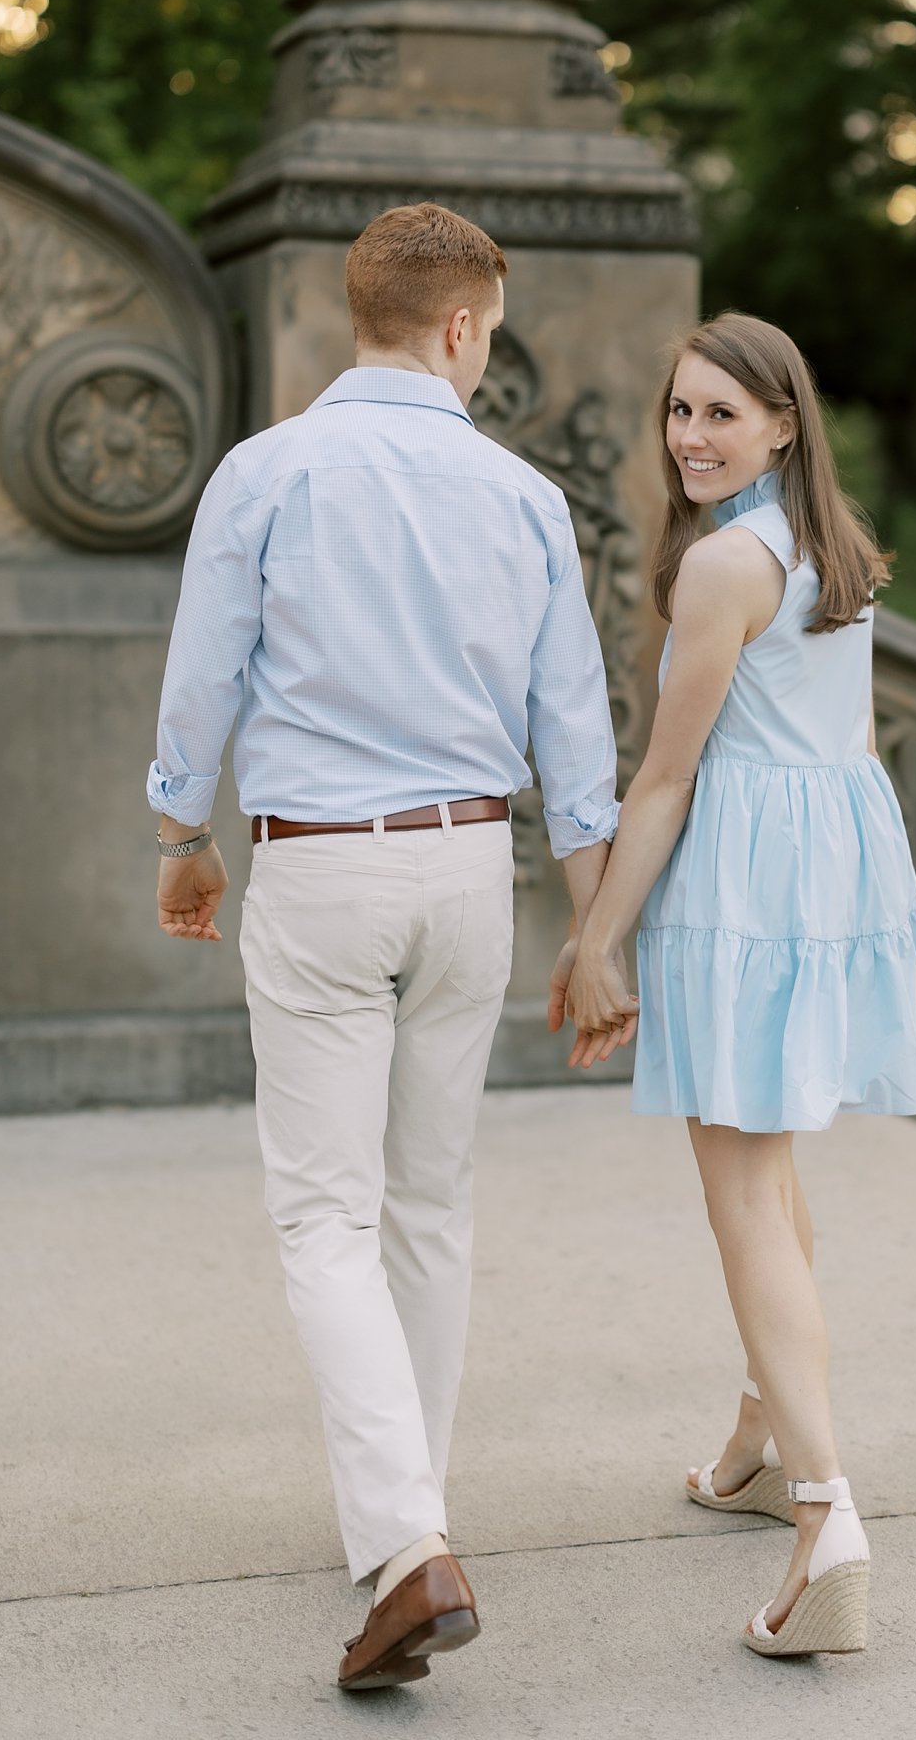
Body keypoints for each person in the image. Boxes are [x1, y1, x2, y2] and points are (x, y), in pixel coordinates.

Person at [147, 203, 629, 1692]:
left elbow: (204, 669)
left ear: (355, 311)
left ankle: (409, 1543)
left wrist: (181, 836)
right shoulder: (524, 497)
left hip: (320, 874)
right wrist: (597, 934)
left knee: (323, 1221)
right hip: (470, 868)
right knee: (428, 1205)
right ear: (464, 327)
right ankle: (404, 1518)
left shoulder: (266, 471)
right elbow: (577, 737)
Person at [558, 312, 916, 1658]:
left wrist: (598, 933)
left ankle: (826, 1514)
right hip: (826, 868)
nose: (692, 437)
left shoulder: (727, 562)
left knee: (741, 1198)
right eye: (678, 412)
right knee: (773, 1182)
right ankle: (760, 1444)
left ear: (784, 422)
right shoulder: (823, 542)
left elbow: (663, 777)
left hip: (747, 886)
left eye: (721, 414)